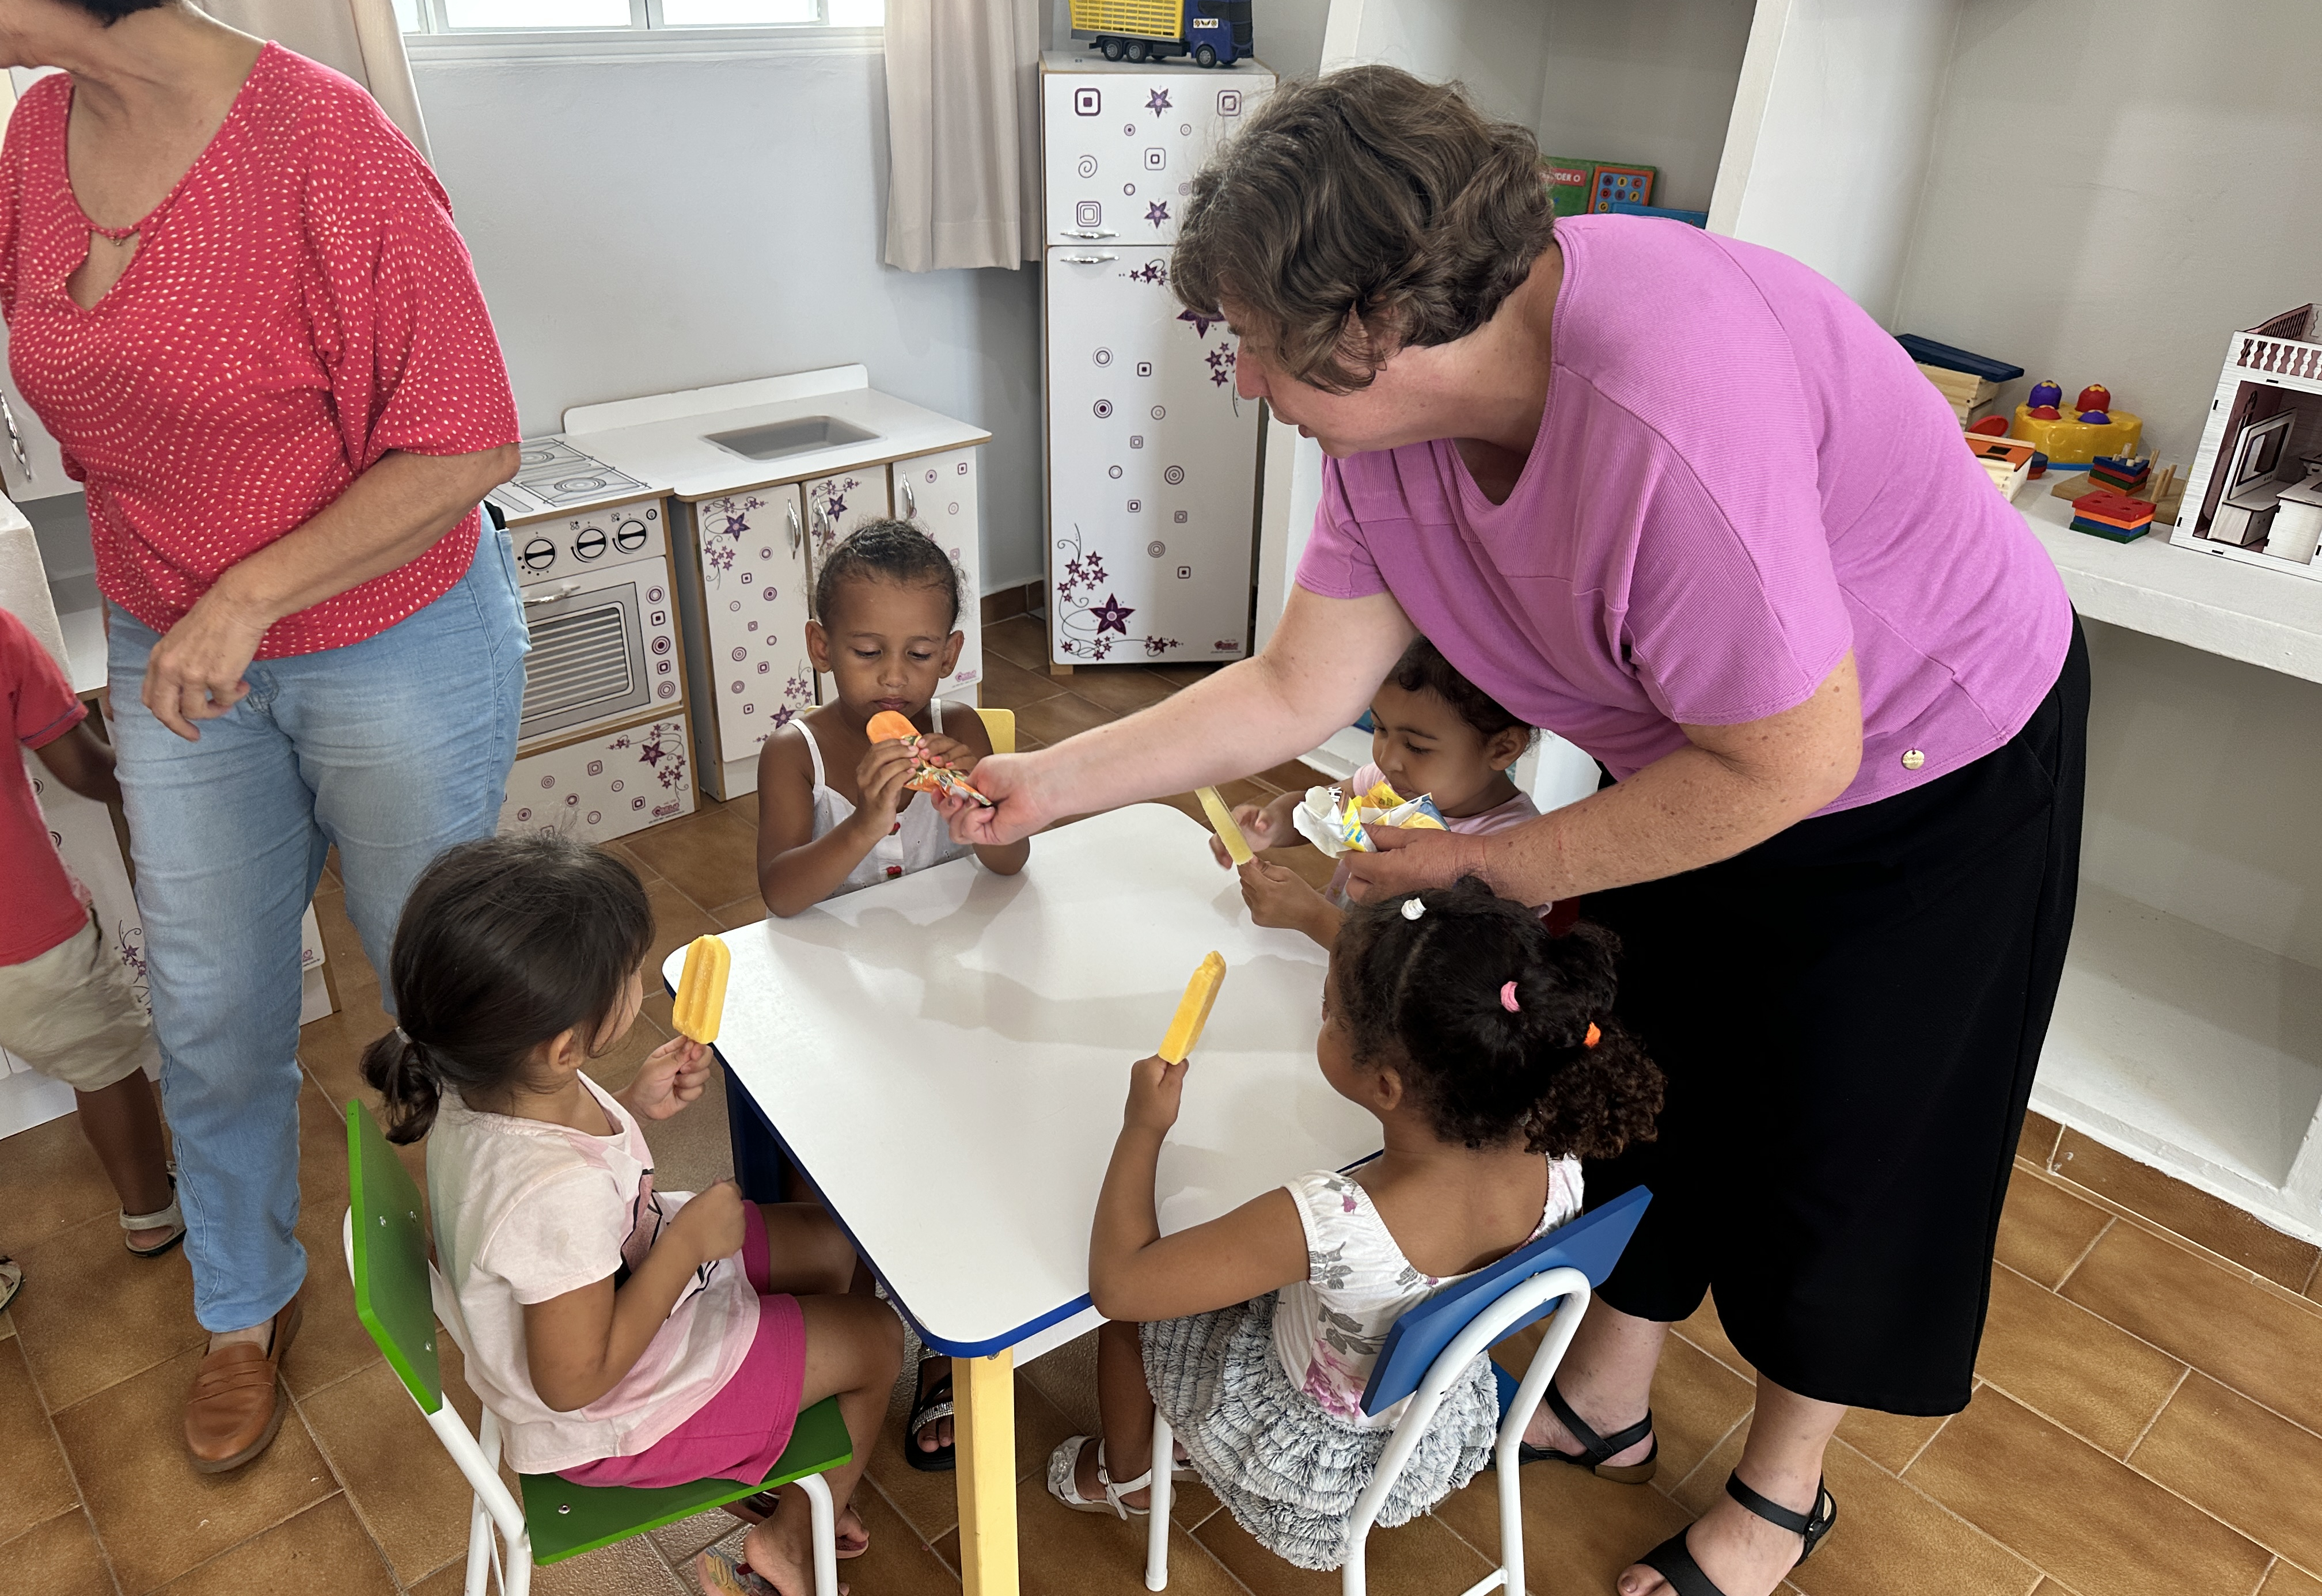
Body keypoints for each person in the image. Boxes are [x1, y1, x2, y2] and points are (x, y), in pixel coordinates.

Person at [948, 67, 2086, 1596]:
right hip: (1697, 758)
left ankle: (1781, 1488)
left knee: (1848, 1145)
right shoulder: (1390, 437)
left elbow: (1792, 756)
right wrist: (1051, 782)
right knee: (1635, 1072)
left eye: (1249, 340)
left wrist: (1489, 859)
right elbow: (1301, 683)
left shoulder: (1670, 417)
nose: (1236, 374)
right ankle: (1609, 1398)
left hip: (1923, 768)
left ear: (1367, 330)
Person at [0, 0, 526, 1469]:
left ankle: (514, 1273)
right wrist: (202, 613)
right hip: (187, 655)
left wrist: (249, 596)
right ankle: (242, 1305)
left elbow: (473, 434)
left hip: (395, 636)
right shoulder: (37, 137)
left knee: (443, 989)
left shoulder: (326, 143)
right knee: (210, 999)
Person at [1048, 881, 1661, 1570]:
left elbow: (1121, 1286)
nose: (1325, 1017)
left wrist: (1143, 1127)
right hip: (1435, 1417)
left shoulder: (1331, 1220)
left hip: (1313, 1454)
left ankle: (1125, 1475)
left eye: (1331, 1017)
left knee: (1134, 1312)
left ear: (1388, 1088)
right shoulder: (1562, 1160)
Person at [363, 834, 904, 1596]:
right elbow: (573, 1380)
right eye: (625, 976)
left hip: (625, 1280)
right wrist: (685, 1248)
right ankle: (787, 1542)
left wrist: (640, 1103)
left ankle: (785, 1435)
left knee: (830, 1247)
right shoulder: (549, 1196)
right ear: (559, 1047)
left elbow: (567, 1170)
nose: (638, 980)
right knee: (880, 1341)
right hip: (610, 1419)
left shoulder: (478, 1074)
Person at [756, 519, 1029, 1471]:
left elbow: (1008, 866)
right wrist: (866, 816)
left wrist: (972, 803)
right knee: (834, 1182)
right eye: (867, 653)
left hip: (943, 1000)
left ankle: (946, 1355)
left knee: (960, 1157)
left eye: (918, 655)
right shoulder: (796, 752)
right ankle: (842, 1341)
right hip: (833, 1011)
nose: (892, 680)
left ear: (951, 653)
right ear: (822, 646)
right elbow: (782, 893)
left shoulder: (964, 735)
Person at [1, 605, 181, 1313]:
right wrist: (158, 789)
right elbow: (78, 766)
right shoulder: (6, 634)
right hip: (28, 929)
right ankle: (150, 1216)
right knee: (105, 1068)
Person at [1213, 635, 1541, 947]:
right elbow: (1314, 808)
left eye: (1416, 746)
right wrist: (1269, 823)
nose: (1387, 759)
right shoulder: (1389, 784)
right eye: (1380, 728)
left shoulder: (1513, 852)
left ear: (1502, 749)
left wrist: (1312, 917)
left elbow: (1433, 975)